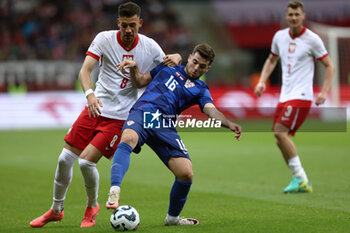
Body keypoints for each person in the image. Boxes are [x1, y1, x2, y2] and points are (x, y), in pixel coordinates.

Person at [29, 2, 181, 228]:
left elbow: (169, 65)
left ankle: (92, 206)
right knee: (63, 160)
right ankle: (56, 210)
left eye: (133, 25)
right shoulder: (104, 39)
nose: (128, 30)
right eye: (124, 25)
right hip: (95, 108)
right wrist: (89, 94)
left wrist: (177, 56)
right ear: (118, 23)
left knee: (85, 163)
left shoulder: (149, 47)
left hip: (119, 119)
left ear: (139, 23)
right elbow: (85, 70)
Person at [105, 43, 242, 226]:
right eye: (194, 62)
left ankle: (172, 219)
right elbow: (140, 81)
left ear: (208, 68)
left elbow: (210, 110)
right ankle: (115, 190)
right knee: (128, 138)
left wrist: (229, 123)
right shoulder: (168, 66)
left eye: (202, 66)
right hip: (145, 111)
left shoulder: (200, 88)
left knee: (186, 173)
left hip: (164, 124)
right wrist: (135, 68)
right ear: (190, 57)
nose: (195, 68)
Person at [254, 1, 335, 193]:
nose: (293, 18)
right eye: (290, 14)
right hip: (284, 96)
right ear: (286, 16)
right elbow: (272, 59)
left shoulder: (312, 39)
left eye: (297, 15)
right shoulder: (279, 36)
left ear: (303, 16)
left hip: (302, 95)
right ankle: (298, 179)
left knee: (279, 133)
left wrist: (324, 91)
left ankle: (301, 178)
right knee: (280, 139)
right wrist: (262, 81)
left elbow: (329, 65)